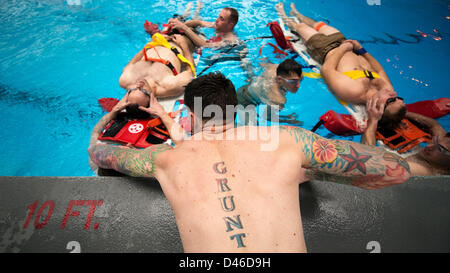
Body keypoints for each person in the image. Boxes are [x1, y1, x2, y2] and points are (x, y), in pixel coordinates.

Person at [88, 72, 410, 252]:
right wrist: (318, 171)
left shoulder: (166, 160)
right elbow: (396, 171)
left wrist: (111, 117)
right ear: (235, 109)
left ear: (190, 114)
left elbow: (100, 155)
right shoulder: (288, 141)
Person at [275, 3, 403, 123]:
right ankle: (297, 14)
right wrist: (362, 50)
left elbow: (326, 70)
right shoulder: (387, 90)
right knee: (319, 25)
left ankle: (284, 16)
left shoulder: (353, 91)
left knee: (301, 27)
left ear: (377, 107)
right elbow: (380, 70)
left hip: (325, 49)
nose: (394, 94)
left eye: (392, 100)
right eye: (399, 98)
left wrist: (342, 49)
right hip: (347, 44)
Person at [361, 96, 450, 176]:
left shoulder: (419, 170)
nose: (430, 146)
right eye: (436, 141)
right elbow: (434, 125)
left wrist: (373, 121)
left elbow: (368, 162)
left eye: (440, 149)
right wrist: (399, 114)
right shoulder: (442, 148)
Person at [118, 31, 196, 99]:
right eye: (143, 91)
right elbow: (190, 72)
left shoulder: (125, 80)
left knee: (173, 22)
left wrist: (148, 45)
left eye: (133, 89)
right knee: (191, 26)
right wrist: (184, 45)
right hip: (179, 44)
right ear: (151, 99)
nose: (139, 86)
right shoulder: (168, 86)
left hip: (158, 41)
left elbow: (131, 63)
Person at [236, 58, 304, 125]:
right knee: (253, 129)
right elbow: (267, 117)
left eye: (300, 80)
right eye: (293, 81)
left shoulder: (275, 68)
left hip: (252, 87)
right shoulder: (278, 99)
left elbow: (261, 61)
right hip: (244, 101)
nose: (298, 85)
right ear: (279, 79)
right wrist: (287, 121)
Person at [167, 6, 239, 48]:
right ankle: (195, 8)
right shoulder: (218, 25)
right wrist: (179, 25)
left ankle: (194, 8)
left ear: (230, 24)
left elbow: (205, 45)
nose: (217, 20)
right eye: (218, 17)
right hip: (202, 37)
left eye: (221, 19)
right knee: (191, 23)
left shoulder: (230, 40)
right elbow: (198, 22)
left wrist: (184, 28)